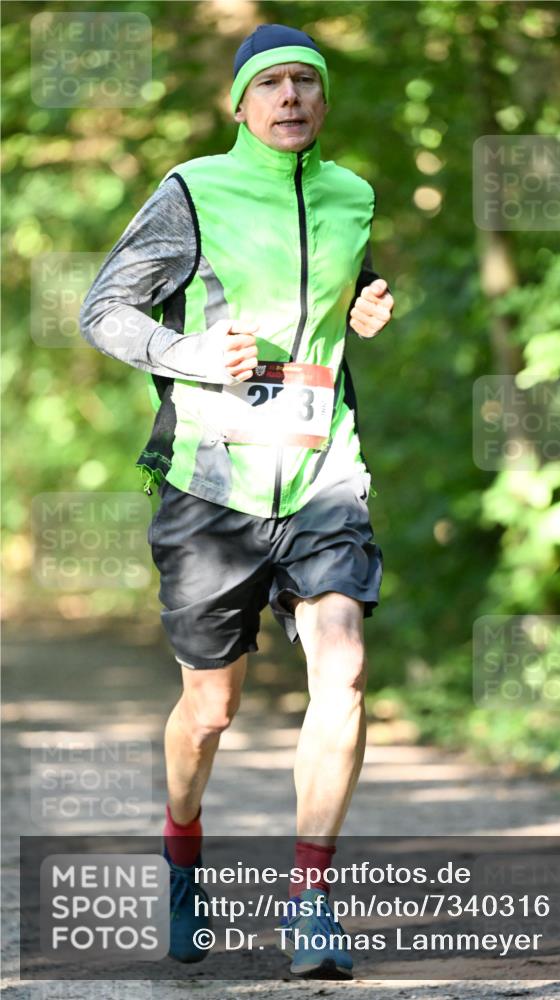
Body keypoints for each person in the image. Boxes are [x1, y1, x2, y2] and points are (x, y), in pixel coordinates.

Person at [80, 23, 393, 980]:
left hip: (321, 472)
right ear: (241, 104)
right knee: (209, 712)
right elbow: (105, 310)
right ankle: (182, 853)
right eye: (273, 84)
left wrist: (368, 302)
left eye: (308, 81)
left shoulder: (352, 194)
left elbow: (331, 285)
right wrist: (186, 354)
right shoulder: (191, 191)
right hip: (209, 484)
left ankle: (310, 902)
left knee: (340, 668)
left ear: (324, 100)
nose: (292, 97)